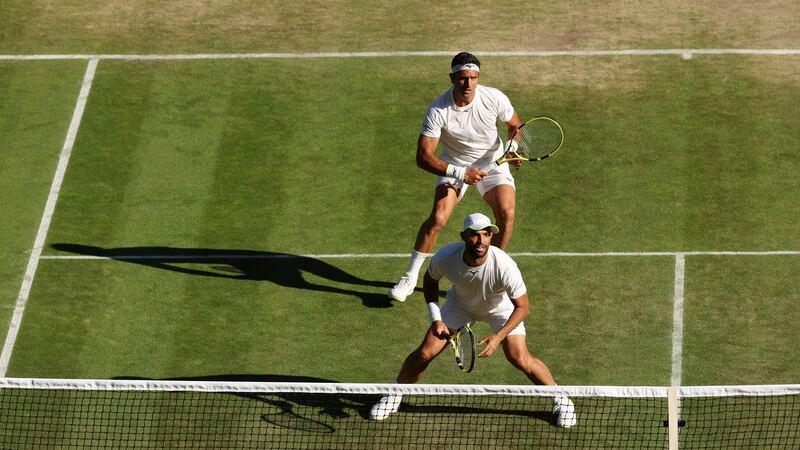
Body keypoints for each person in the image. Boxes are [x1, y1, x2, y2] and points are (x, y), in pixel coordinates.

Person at [371, 213, 576, 428]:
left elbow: (523, 307)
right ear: (463, 237)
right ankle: (394, 396)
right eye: (475, 235)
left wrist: (498, 336)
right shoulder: (446, 257)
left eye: (486, 235)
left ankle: (562, 400)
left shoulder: (504, 266)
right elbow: (430, 282)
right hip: (460, 306)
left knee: (519, 357)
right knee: (425, 352)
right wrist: (436, 319)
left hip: (500, 309)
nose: (481, 241)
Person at [389, 51, 524, 302]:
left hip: (493, 163)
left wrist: (513, 149)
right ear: (452, 78)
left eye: (473, 78)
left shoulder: (493, 98)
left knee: (507, 214)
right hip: (455, 164)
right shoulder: (438, 109)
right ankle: (409, 277)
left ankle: (490, 276)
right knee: (439, 217)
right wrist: (461, 172)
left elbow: (515, 126)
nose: (468, 84)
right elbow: (423, 156)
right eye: (462, 78)